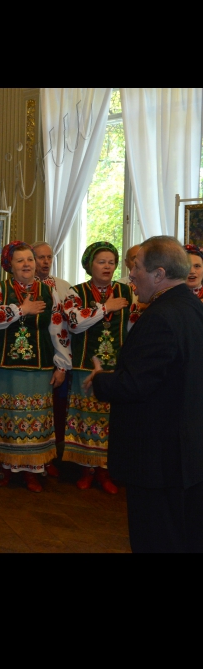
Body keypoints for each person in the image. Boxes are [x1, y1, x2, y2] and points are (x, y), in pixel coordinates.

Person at [86, 235, 203, 553]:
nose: (130, 274)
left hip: (157, 457)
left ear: (159, 274)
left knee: (157, 537)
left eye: (136, 267)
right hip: (185, 452)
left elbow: (135, 385)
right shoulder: (192, 307)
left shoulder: (160, 318)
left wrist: (101, 380)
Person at [0, 241, 71, 492]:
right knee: (8, 417)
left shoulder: (48, 291)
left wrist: (62, 365)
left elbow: (58, 329)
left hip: (39, 366)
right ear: (9, 265)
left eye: (30, 260)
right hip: (6, 366)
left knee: (35, 420)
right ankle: (7, 467)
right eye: (20, 260)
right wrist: (22, 310)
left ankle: (33, 470)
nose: (27, 264)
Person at [61, 241, 131, 494]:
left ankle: (105, 471)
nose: (107, 266)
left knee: (111, 421)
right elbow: (74, 323)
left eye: (111, 262)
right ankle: (86, 470)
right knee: (85, 419)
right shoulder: (75, 292)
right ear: (90, 265)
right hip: (84, 365)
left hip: (115, 369)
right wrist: (106, 307)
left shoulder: (128, 291)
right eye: (101, 262)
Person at [32, 240, 72, 475]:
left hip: (56, 359)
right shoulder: (18, 288)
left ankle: (50, 457)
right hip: (31, 358)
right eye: (40, 257)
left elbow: (64, 328)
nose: (46, 262)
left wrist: (63, 364)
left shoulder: (64, 287)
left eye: (49, 257)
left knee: (53, 411)